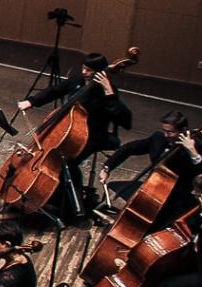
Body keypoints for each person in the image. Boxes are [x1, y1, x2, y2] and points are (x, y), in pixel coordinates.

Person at [17, 51, 135, 222]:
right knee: (52, 155)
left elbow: (126, 121)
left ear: (100, 72)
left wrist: (109, 92)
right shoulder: (78, 81)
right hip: (70, 129)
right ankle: (47, 196)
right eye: (84, 68)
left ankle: (74, 208)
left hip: (93, 135)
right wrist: (32, 101)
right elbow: (55, 90)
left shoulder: (108, 91)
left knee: (67, 164)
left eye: (89, 70)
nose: (84, 72)